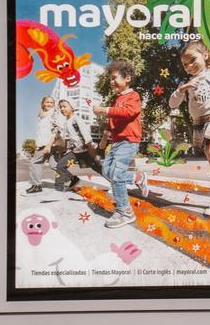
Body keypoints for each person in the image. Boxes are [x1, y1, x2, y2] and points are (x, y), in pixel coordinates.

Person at [168, 41, 210, 217]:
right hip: (198, 122)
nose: (189, 66)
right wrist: (181, 89)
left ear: (205, 55)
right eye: (185, 64)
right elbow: (172, 104)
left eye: (193, 60)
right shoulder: (188, 83)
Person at [93, 61, 150, 229]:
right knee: (107, 171)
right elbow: (113, 122)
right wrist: (105, 138)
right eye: (109, 79)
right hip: (117, 142)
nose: (111, 82)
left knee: (116, 174)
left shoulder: (133, 96)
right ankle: (136, 178)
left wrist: (105, 109)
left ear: (127, 78)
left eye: (114, 78)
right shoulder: (118, 99)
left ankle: (125, 211)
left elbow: (128, 112)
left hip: (129, 140)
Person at [52, 99, 106, 191]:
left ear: (72, 107)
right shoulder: (66, 122)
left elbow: (87, 137)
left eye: (64, 106)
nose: (62, 109)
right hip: (75, 152)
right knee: (60, 166)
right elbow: (71, 139)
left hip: (87, 151)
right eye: (60, 107)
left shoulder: (76, 119)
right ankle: (58, 189)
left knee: (100, 169)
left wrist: (95, 155)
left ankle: (117, 183)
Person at [25, 96, 60, 194]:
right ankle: (73, 179)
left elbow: (56, 130)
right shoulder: (42, 115)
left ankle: (36, 185)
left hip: (48, 144)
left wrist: (48, 145)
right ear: (43, 103)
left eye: (51, 102)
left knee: (34, 162)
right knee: (54, 165)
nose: (49, 104)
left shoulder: (53, 113)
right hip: (45, 144)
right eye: (47, 102)